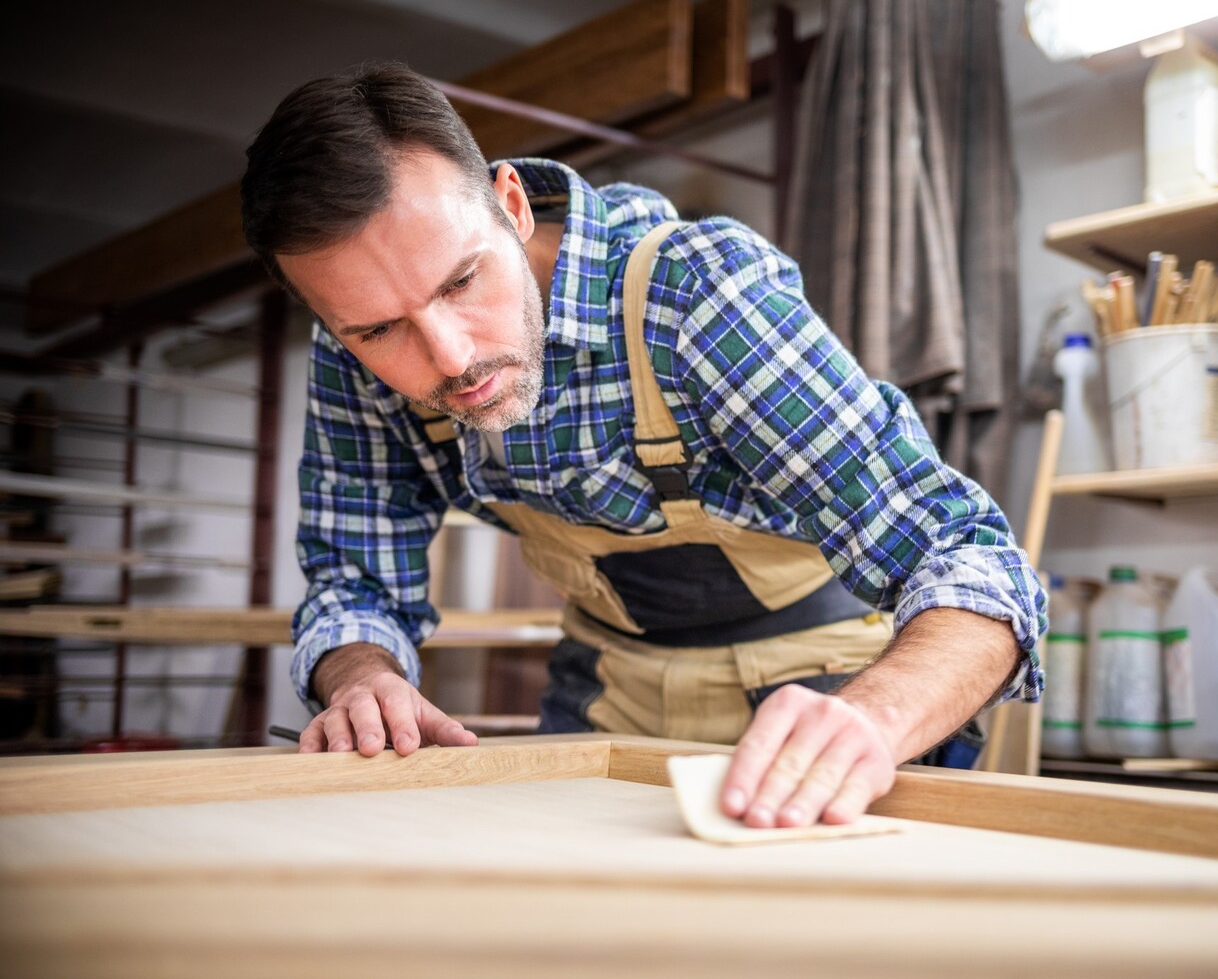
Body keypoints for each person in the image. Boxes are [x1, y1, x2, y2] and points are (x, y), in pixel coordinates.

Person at [241, 61, 1045, 829]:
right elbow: (355, 576)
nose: (450, 359)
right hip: (609, 686)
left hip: (827, 682)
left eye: (460, 283)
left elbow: (968, 555)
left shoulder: (699, 298)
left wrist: (878, 714)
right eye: (380, 329)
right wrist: (361, 675)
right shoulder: (350, 362)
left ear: (511, 206)